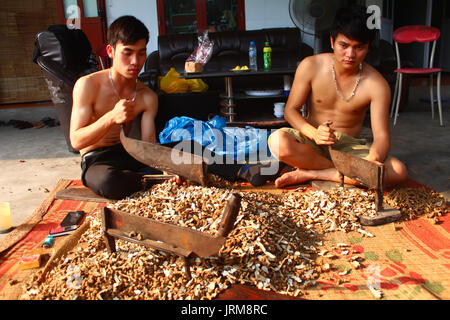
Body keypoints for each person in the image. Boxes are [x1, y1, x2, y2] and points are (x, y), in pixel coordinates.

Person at [70, 16, 276, 200]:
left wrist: (165, 165)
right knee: (108, 182)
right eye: (127, 53)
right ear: (110, 51)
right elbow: (76, 140)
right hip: (98, 160)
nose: (135, 62)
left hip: (134, 155)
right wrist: (110, 118)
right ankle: (149, 182)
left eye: (141, 53)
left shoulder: (147, 96)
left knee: (188, 146)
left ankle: (246, 170)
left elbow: (149, 146)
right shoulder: (88, 85)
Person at [267, 5, 408, 189]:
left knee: (398, 171)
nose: (350, 54)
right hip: (312, 141)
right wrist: (314, 133)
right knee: (278, 142)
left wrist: (372, 160)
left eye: (359, 47)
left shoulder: (377, 84)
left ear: (368, 48)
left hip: (350, 148)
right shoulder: (311, 66)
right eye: (344, 45)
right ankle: (349, 174)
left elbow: (381, 137)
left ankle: (314, 172)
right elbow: (290, 111)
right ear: (332, 41)